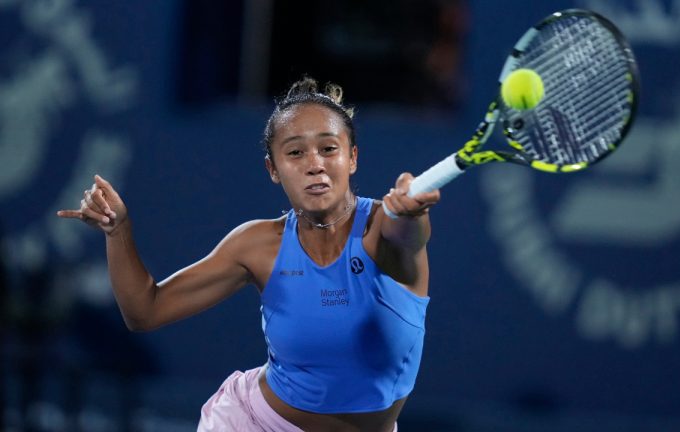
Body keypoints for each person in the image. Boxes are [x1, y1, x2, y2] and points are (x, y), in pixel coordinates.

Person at [57, 76, 441, 431]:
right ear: (273, 169)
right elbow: (145, 311)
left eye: (329, 148)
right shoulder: (257, 245)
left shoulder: (383, 230)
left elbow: (407, 235)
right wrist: (117, 230)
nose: (315, 165)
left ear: (352, 158)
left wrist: (410, 211)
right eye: (295, 153)